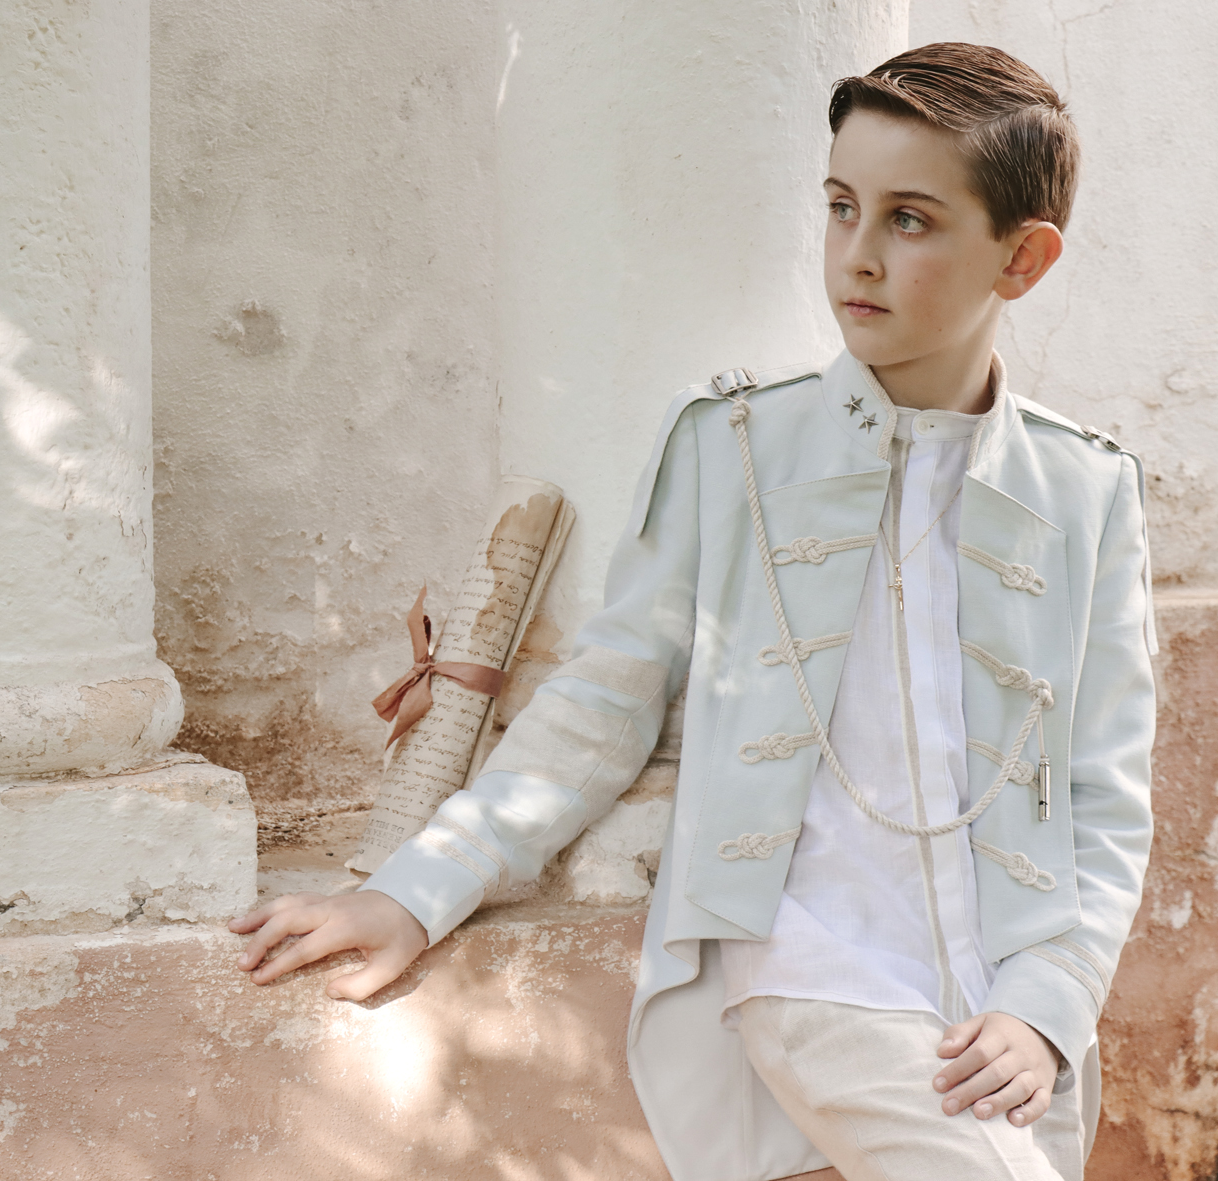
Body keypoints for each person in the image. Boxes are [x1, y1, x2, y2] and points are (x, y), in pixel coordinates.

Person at [231, 42, 1155, 1181]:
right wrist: (417, 889)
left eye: (909, 220)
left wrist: (1049, 1001)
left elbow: (1105, 789)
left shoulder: (1087, 490)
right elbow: (604, 699)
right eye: (840, 206)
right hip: (810, 964)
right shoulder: (735, 447)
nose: (857, 254)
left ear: (1023, 258)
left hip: (1006, 1004)